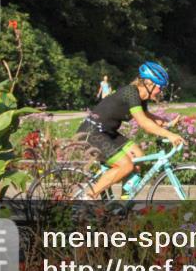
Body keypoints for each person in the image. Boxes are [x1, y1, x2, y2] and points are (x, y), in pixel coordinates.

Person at [76, 61, 182, 198]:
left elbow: (148, 116)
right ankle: (88, 197)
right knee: (126, 165)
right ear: (149, 83)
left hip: (107, 132)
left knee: (138, 155)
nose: (161, 92)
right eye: (160, 87)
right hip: (91, 133)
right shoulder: (131, 93)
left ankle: (123, 203)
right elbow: (143, 122)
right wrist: (169, 135)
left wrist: (168, 124)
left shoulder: (140, 96)